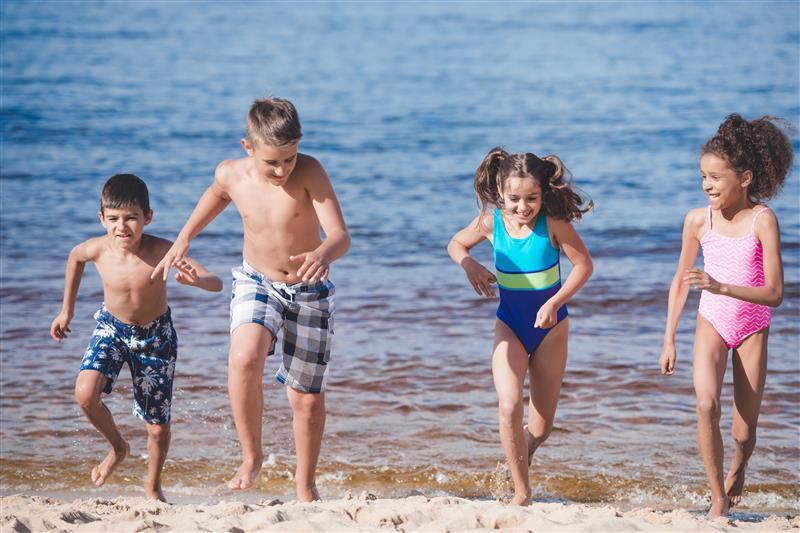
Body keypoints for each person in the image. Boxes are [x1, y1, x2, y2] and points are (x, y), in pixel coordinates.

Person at [151, 96, 350, 502]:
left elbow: (340, 236)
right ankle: (251, 455)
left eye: (289, 159)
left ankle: (305, 484)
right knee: (244, 357)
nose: (282, 170)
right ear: (248, 147)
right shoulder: (231, 173)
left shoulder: (310, 171)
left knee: (305, 399)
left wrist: (322, 254)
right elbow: (217, 196)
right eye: (272, 162)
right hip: (256, 280)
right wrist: (185, 238)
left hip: (309, 290)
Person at [49, 174, 223, 501]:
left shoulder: (162, 250)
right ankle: (118, 448)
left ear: (148, 217)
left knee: (157, 427)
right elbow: (75, 257)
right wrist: (66, 311)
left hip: (155, 338)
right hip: (112, 329)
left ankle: (153, 485)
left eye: (131, 217)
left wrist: (196, 281)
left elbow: (216, 282)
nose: (122, 226)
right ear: (102, 219)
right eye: (113, 219)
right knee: (85, 393)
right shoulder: (97, 249)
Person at [659, 114, 793, 517]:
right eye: (703, 176)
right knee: (705, 406)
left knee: (743, 431)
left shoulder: (763, 220)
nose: (707, 185)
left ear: (746, 177)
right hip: (711, 321)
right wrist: (669, 337)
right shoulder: (698, 221)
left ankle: (740, 465)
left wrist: (721, 286)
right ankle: (718, 497)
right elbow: (681, 281)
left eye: (716, 177)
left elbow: (775, 294)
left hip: (752, 326)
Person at [447, 148, 593, 506]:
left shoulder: (554, 223)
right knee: (509, 403)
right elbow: (455, 243)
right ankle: (521, 492)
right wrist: (469, 265)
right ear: (500, 191)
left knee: (540, 428)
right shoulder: (490, 221)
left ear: (544, 194)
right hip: (509, 326)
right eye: (513, 199)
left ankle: (517, 459)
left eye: (531, 198)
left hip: (551, 330)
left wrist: (554, 303)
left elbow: (584, 266)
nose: (522, 207)